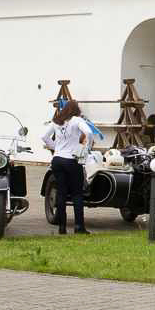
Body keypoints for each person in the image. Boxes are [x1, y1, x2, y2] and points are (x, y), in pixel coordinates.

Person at [50, 100, 91, 235]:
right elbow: (89, 132)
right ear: (76, 109)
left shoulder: (57, 121)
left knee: (61, 193)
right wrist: (86, 148)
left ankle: (62, 227)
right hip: (72, 160)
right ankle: (79, 226)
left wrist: (55, 147)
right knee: (76, 194)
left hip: (57, 160)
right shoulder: (77, 120)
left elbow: (43, 136)